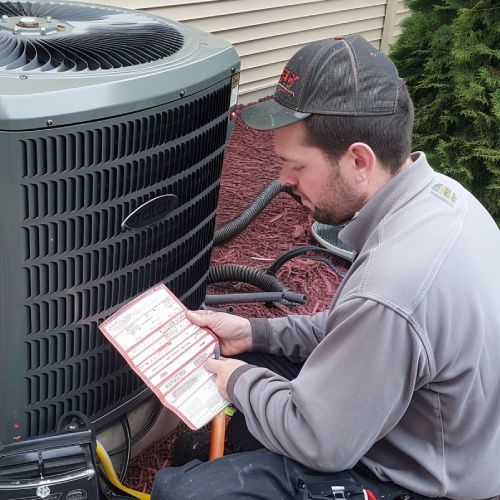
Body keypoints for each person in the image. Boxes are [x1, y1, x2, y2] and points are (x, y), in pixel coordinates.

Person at [151, 33, 500, 499]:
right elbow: (353, 329)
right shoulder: (441, 199)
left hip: (426, 482)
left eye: (295, 165)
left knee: (186, 494)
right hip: (437, 431)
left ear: (358, 160)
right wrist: (253, 334)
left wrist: (238, 382)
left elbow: (322, 444)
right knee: (244, 360)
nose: (283, 181)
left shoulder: (395, 285)